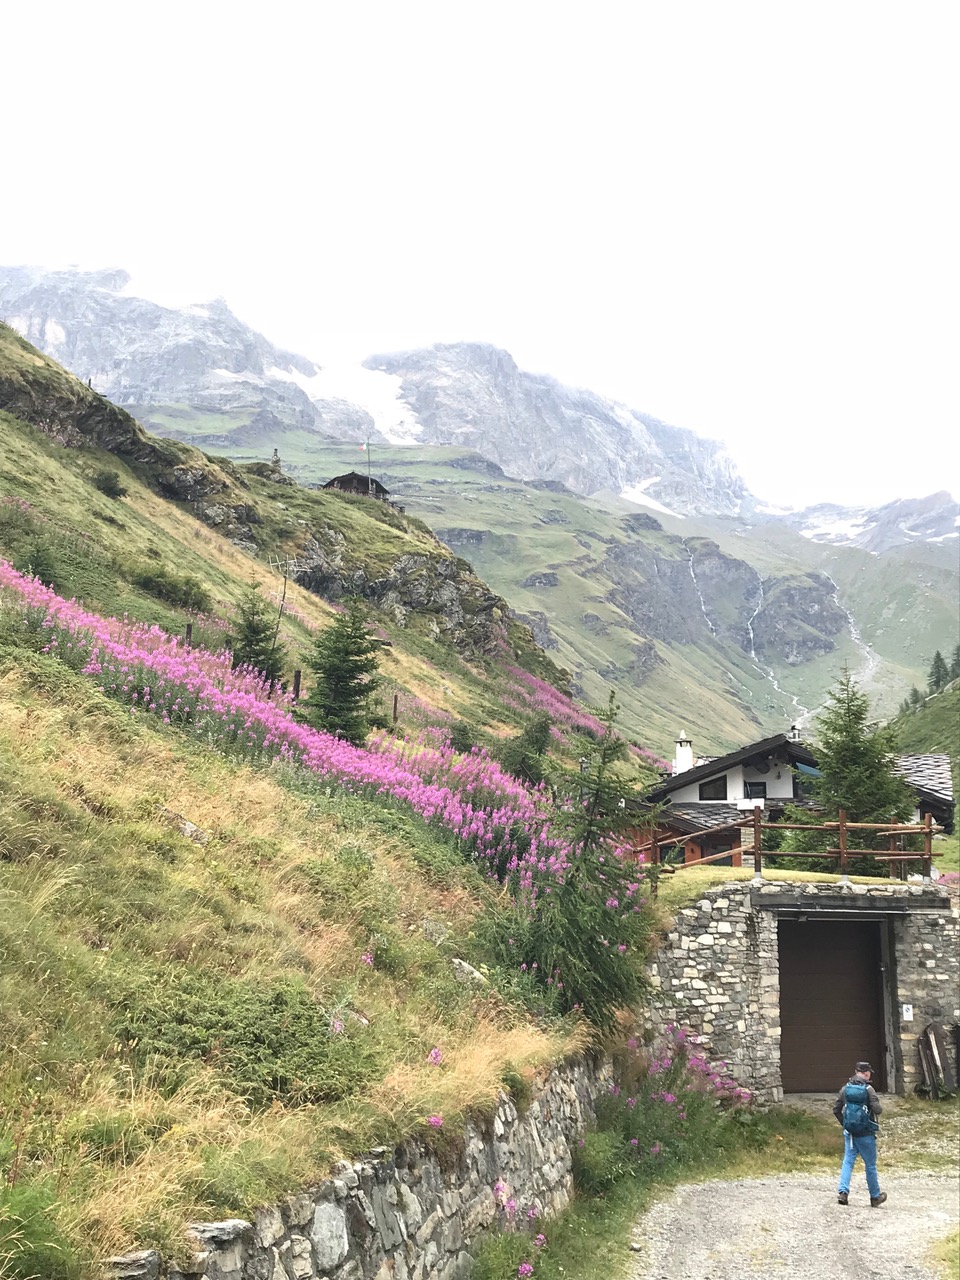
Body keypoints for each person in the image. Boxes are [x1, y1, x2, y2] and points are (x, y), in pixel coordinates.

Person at [833, 1060, 886, 1207]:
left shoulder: (845, 1089)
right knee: (870, 1165)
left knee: (848, 1161)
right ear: (866, 1073)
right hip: (866, 1134)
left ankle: (843, 1193)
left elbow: (836, 1109)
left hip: (849, 1133)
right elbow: (877, 1110)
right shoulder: (869, 1089)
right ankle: (875, 1197)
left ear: (856, 1072)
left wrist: (845, 1124)